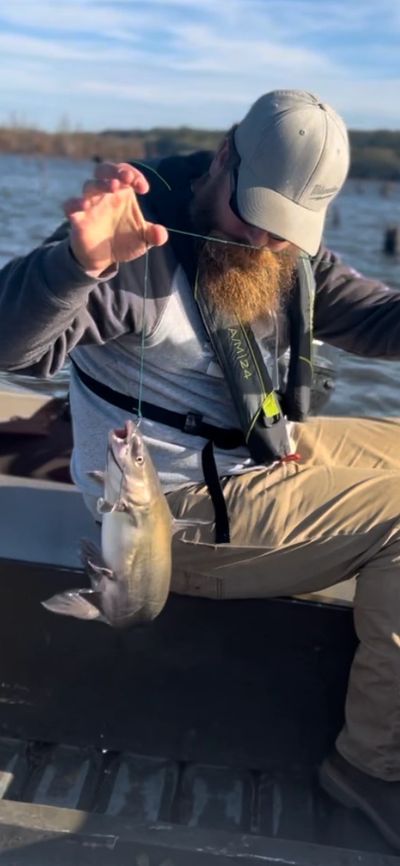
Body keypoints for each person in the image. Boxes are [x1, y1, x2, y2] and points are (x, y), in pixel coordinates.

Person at [0, 89, 399, 849]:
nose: (269, 243)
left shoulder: (282, 250)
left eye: (290, 230)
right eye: (256, 216)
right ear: (224, 158)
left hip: (259, 454)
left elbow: (374, 317)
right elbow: (12, 347)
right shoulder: (135, 250)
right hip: (169, 519)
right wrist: (74, 265)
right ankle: (373, 768)